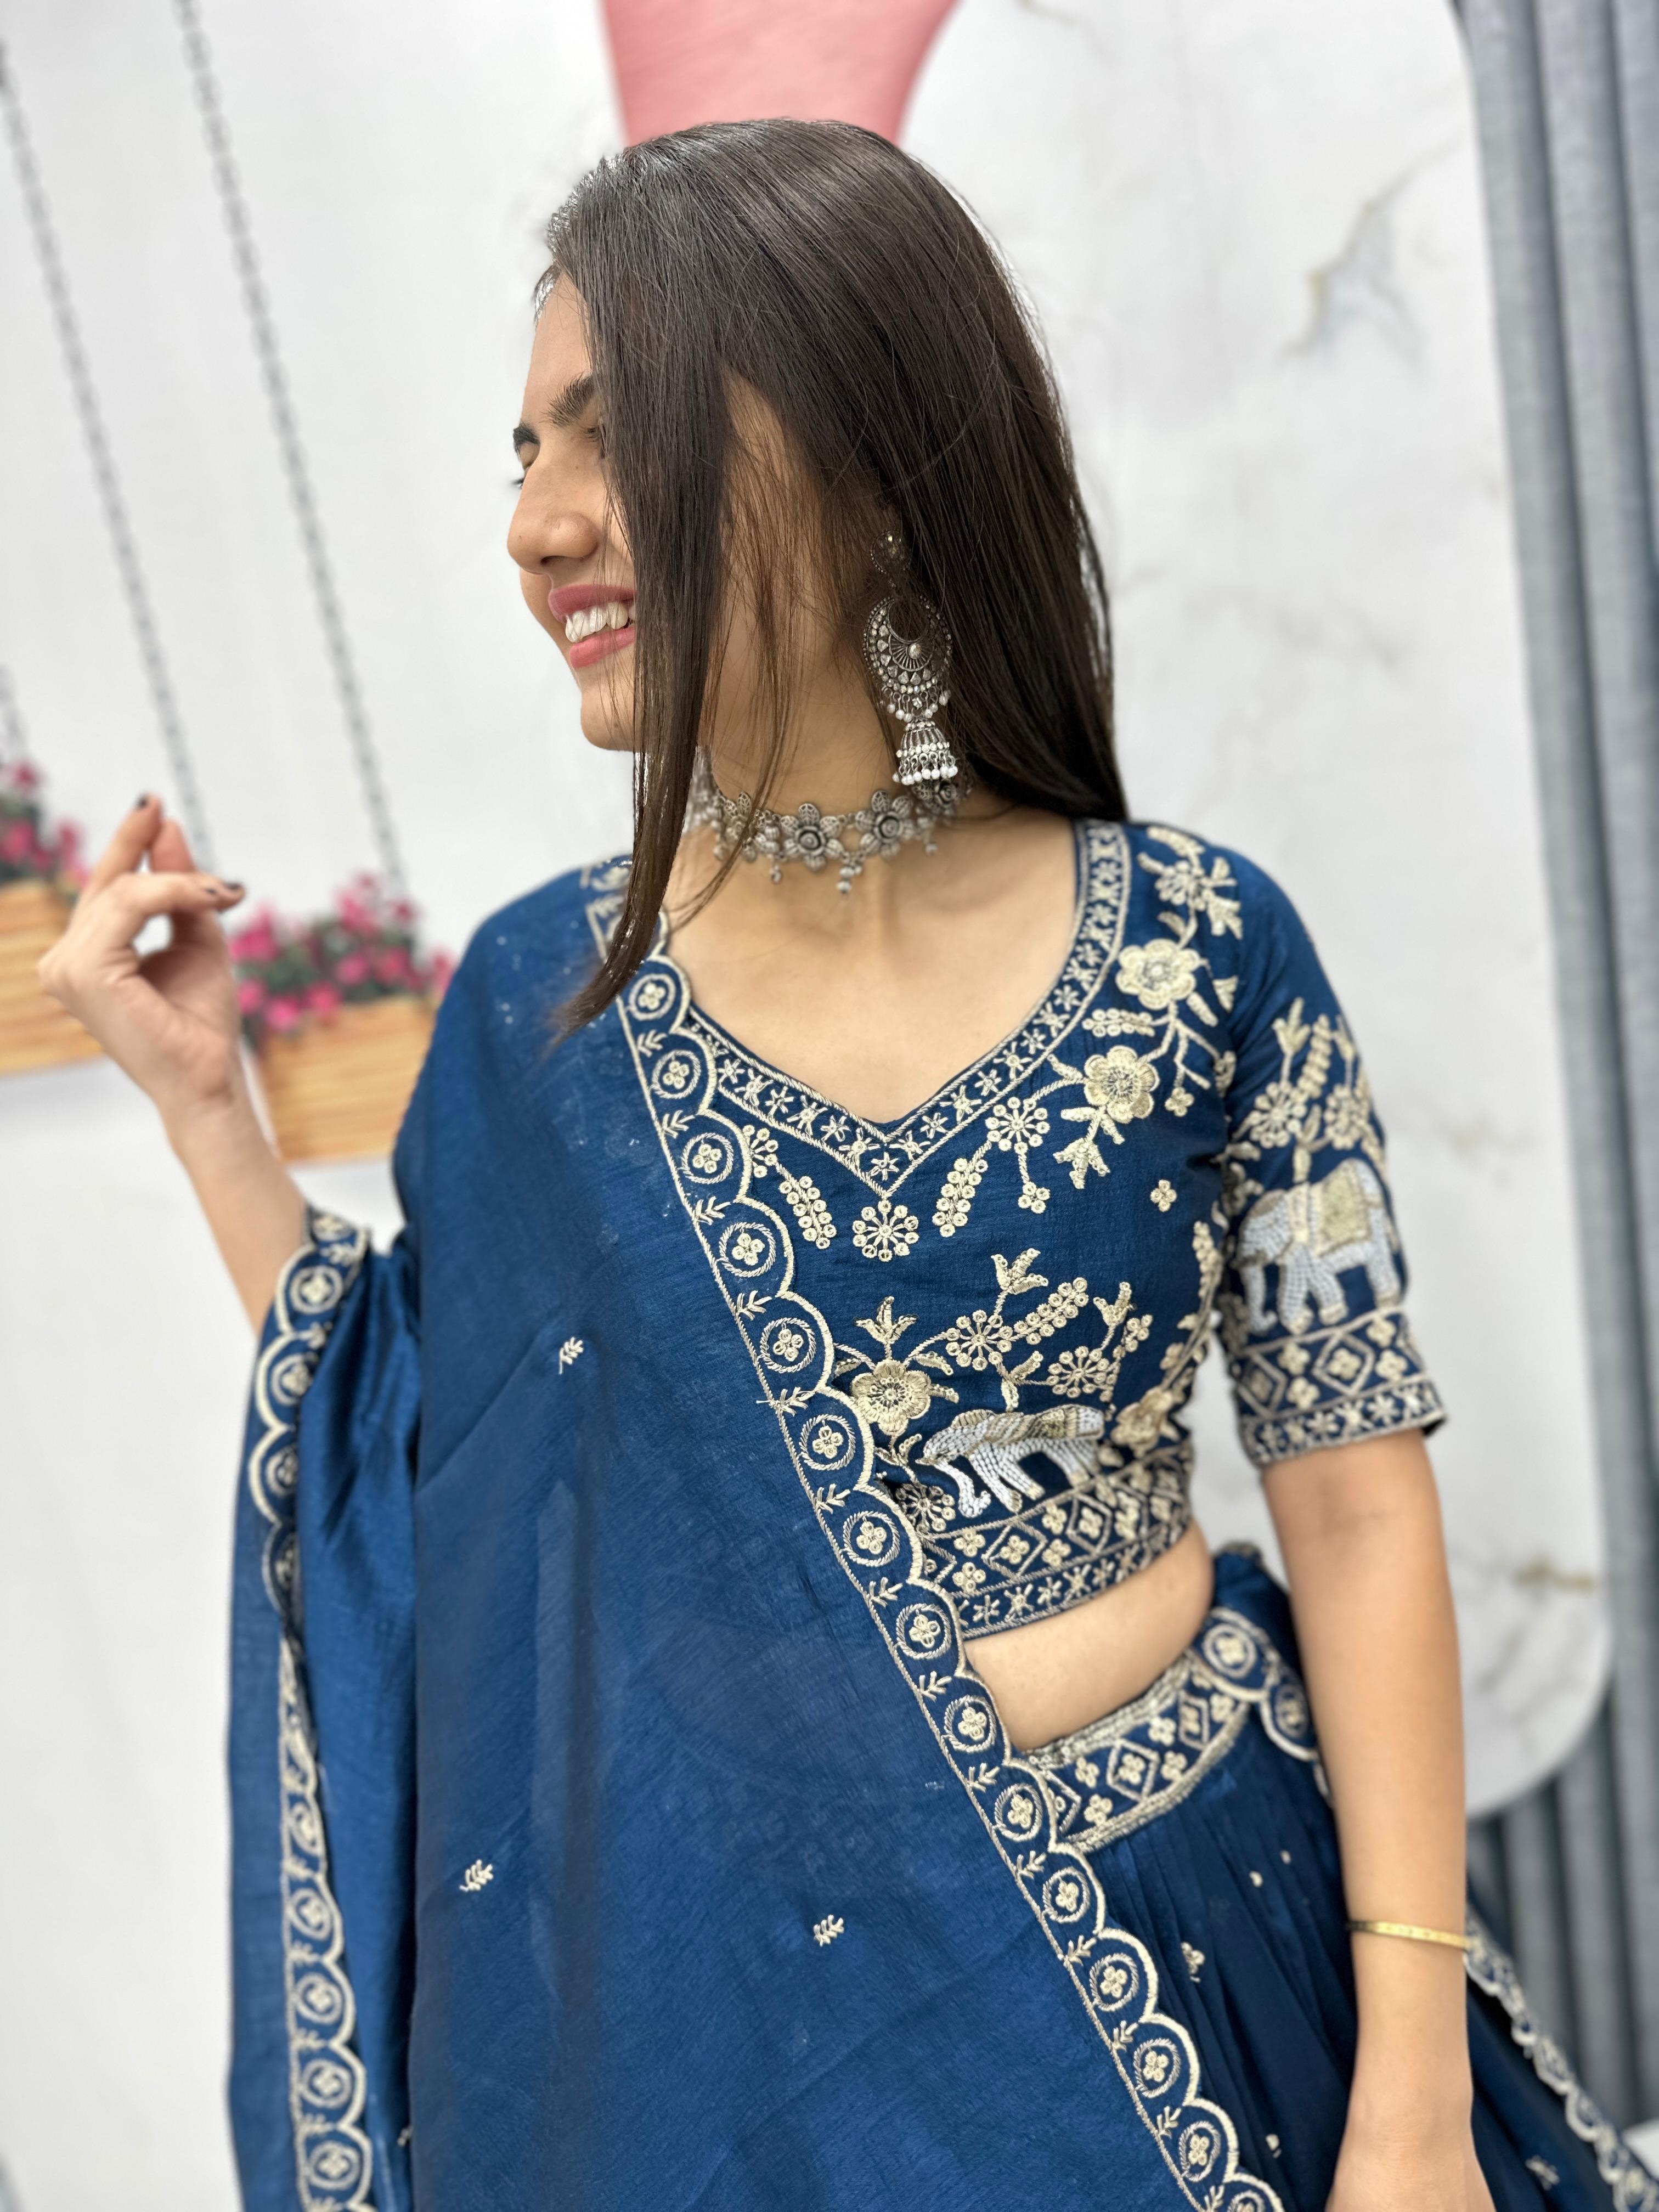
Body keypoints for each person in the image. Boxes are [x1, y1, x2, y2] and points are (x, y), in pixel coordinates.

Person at [44, 119, 1654, 2212]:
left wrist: (1416, 2099)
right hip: (761, 2046)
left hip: (1211, 1950)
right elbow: (443, 1464)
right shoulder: (551, 1005)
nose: (535, 528)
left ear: (883, 475)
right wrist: (207, 1117)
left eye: (605, 439)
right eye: (520, 453)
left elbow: (1356, 1512)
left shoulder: (1197, 948)